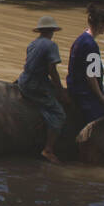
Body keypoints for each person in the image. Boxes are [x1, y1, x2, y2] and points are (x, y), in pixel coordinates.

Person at [19, 15, 69, 164]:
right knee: (59, 114)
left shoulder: (32, 43)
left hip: (24, 79)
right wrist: (60, 91)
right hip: (36, 84)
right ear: (52, 31)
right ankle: (48, 150)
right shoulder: (51, 45)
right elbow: (52, 70)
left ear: (40, 31)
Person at [67, 4, 104, 128]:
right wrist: (101, 97)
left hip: (75, 85)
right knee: (100, 122)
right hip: (83, 92)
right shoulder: (90, 45)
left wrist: (102, 88)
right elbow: (91, 76)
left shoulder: (82, 38)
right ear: (100, 25)